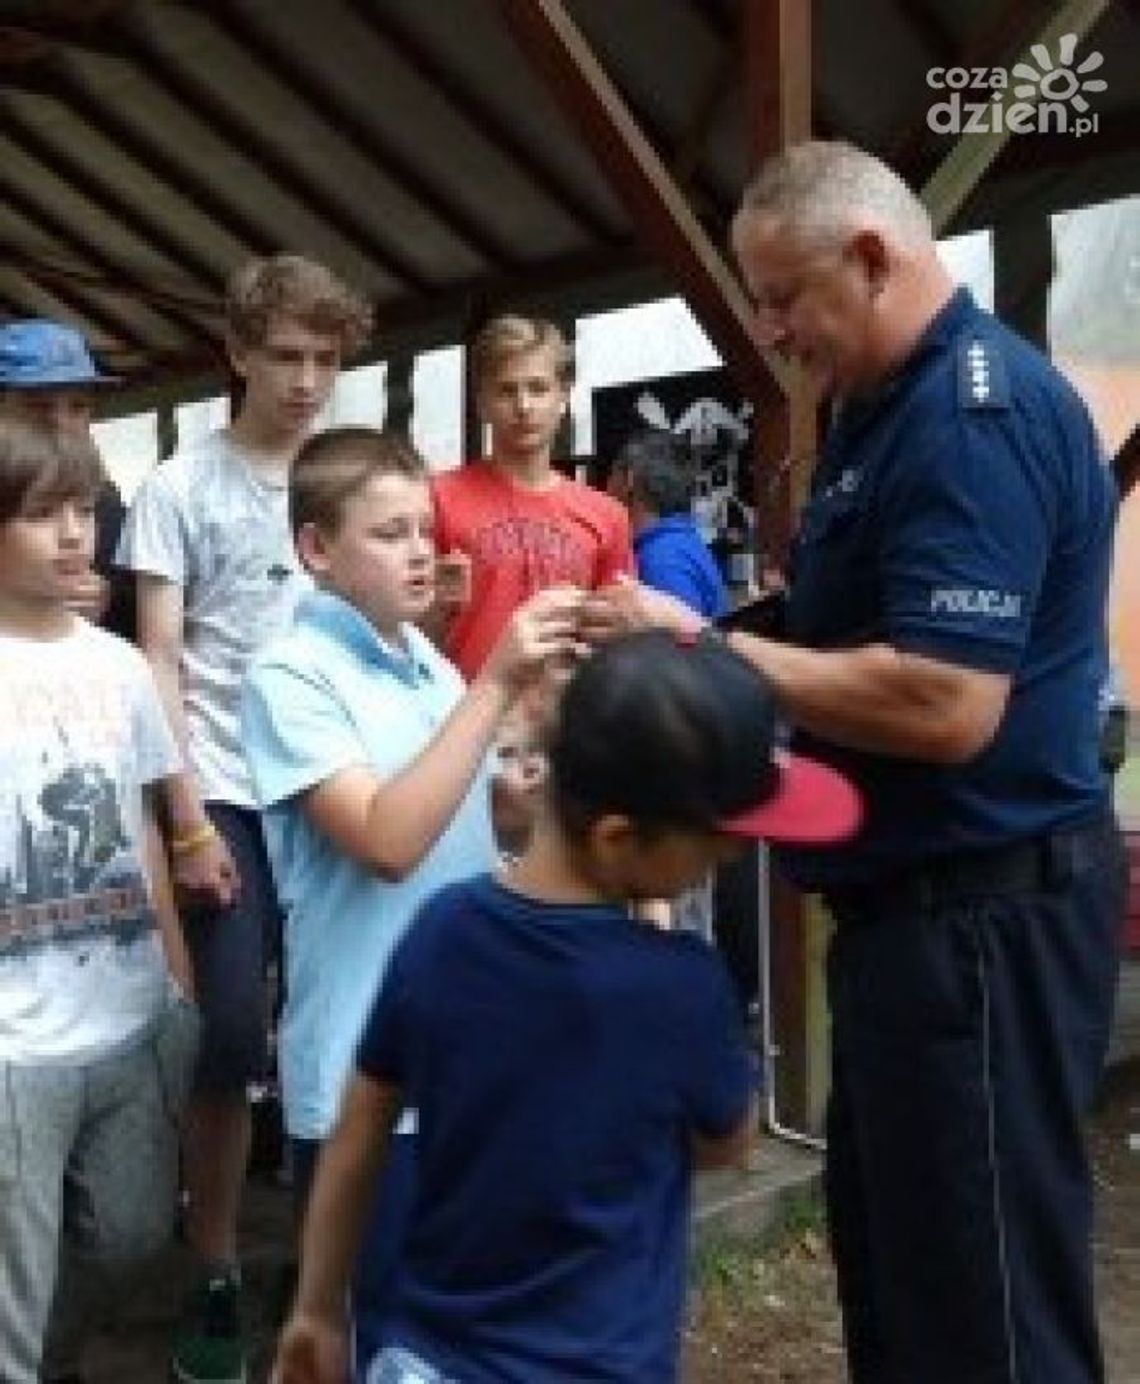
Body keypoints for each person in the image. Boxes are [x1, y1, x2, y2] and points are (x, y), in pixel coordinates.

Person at [590, 140, 1126, 1384]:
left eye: (783, 296)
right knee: (906, 1279)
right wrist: (701, 635)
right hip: (910, 921)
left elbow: (946, 700)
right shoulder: (880, 409)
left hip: (982, 917)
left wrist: (706, 647)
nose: (772, 330)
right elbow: (839, 619)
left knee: (985, 1306)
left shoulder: (971, 418)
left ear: (875, 258)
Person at [271, 629, 860, 1384]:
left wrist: (318, 1310)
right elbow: (728, 1140)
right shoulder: (682, 987)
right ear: (617, 837)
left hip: (427, 1360)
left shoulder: (443, 932)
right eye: (717, 842)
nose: (732, 855)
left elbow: (360, 1127)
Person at [241, 427, 582, 1286]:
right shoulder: (290, 674)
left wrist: (562, 770)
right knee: (381, 1333)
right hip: (364, 1078)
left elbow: (479, 822)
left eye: (427, 529)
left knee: (460, 1324)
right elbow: (388, 842)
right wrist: (496, 683)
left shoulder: (425, 660)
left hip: (464, 1058)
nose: (423, 552)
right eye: (390, 534)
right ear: (316, 549)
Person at [116, 255, 373, 1383]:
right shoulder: (180, 487)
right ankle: (214, 1263)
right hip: (223, 783)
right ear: (237, 353)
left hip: (333, 782)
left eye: (326, 359)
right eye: (286, 356)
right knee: (229, 1029)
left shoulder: (349, 476)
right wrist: (184, 819)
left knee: (343, 1026)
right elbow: (159, 657)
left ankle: (326, 1263)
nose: (307, 379)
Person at [0, 420, 198, 1384]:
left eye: (83, 509)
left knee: (131, 1239)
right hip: (13, 1043)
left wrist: (178, 983)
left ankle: (53, 1358)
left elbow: (143, 826)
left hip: (128, 1012)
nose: (75, 533)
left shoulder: (121, 668)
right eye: (44, 514)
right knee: (15, 1276)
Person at [430, 314, 634, 679]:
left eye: (538, 388)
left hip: (567, 706)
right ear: (482, 402)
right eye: (506, 390)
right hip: (464, 705)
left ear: (563, 396)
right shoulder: (437, 499)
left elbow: (618, 634)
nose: (523, 405)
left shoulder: (608, 515)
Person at [0, 318, 136, 638]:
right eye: (39, 407)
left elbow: (141, 605)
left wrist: (108, 601)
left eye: (77, 407)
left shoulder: (105, 502)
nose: (61, 423)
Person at [608, 426, 730, 621]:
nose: (606, 487)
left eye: (611, 474)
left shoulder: (660, 561)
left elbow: (681, 638)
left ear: (629, 480)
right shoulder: (681, 541)